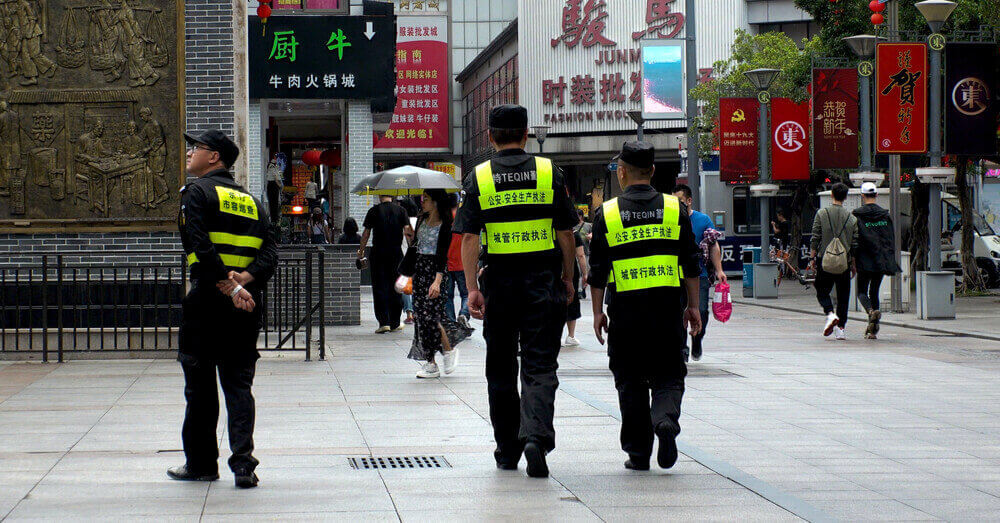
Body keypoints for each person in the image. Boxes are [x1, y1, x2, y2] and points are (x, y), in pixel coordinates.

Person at [456, 104, 577, 478]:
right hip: (542, 281)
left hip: (500, 285)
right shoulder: (548, 172)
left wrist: (472, 288)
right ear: (526, 134)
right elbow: (566, 234)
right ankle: (536, 438)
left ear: (491, 137)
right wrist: (568, 277)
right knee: (540, 365)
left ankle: (507, 450)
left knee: (501, 369)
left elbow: (470, 238)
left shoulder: (478, 177)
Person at [169, 129, 277, 489]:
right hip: (245, 307)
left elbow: (199, 246)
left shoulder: (195, 193)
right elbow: (270, 252)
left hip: (207, 305)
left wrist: (230, 286)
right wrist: (245, 280)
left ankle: (201, 465)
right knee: (239, 386)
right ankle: (243, 464)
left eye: (195, 148)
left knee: (199, 388)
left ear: (214, 156)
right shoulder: (251, 200)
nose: (189, 153)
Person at [589, 141, 702, 471]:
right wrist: (693, 306)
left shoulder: (607, 213)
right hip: (667, 310)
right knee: (669, 374)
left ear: (621, 173)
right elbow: (691, 264)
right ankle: (665, 418)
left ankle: (639, 452)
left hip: (625, 314)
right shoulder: (675, 209)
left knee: (630, 380)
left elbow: (598, 271)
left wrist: (597, 312)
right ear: (652, 171)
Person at [408, 190, 474, 378]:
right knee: (421, 318)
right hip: (420, 271)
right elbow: (416, 247)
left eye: (426, 199)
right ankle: (431, 363)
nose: (422, 202)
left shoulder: (446, 224)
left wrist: (437, 280)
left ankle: (448, 348)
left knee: (432, 317)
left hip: (435, 272)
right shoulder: (421, 219)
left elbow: (442, 255)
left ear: (435, 202)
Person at [671, 184, 726, 362]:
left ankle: (697, 338)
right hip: (675, 275)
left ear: (689, 200)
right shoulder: (669, 220)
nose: (676, 206)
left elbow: (713, 245)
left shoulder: (703, 220)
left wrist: (719, 270)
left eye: (679, 201)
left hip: (699, 274)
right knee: (678, 312)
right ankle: (681, 346)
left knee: (701, 310)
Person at [810, 182, 859, 340]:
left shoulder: (821, 214)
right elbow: (854, 243)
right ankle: (841, 329)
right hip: (844, 262)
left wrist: (812, 258)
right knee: (844, 295)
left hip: (824, 260)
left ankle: (830, 313)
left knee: (821, 289)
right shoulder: (851, 218)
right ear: (845, 197)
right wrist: (853, 263)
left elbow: (815, 237)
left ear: (832, 195)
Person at [358, 195, 413, 333]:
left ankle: (384, 323)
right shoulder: (401, 211)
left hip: (378, 254)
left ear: (379, 195)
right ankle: (395, 322)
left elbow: (366, 233)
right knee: (396, 287)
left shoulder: (373, 211)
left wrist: (361, 251)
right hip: (396, 254)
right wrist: (412, 250)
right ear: (392, 196)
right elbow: (407, 232)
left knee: (379, 286)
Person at [852, 182, 901, 339]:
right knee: (874, 292)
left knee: (861, 291)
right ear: (877, 195)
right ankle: (873, 331)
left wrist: (852, 258)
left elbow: (854, 239)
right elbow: (890, 238)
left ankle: (871, 312)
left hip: (864, 259)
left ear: (862, 195)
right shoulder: (885, 216)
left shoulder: (857, 215)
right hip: (880, 259)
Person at [445, 198, 471, 326]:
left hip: (447, 263)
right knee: (466, 293)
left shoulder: (443, 218)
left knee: (448, 295)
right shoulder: (464, 217)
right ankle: (464, 314)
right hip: (463, 261)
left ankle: (450, 321)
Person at [562, 217, 587, 347]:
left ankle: (555, 335)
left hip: (554, 271)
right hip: (571, 271)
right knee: (571, 301)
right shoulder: (574, 235)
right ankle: (571, 336)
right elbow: (581, 255)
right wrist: (585, 273)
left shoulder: (553, 232)